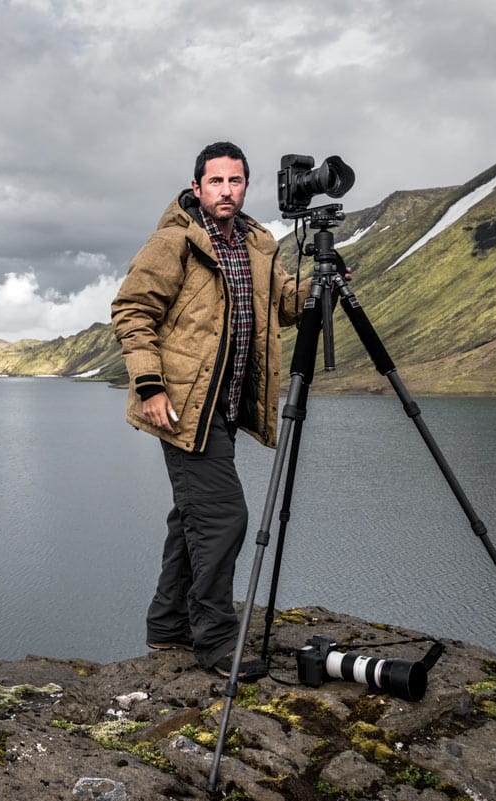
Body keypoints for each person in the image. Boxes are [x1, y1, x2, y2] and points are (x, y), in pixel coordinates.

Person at [111, 141, 325, 680]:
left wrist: (316, 286)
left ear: (246, 186)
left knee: (193, 516)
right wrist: (150, 385)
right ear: (198, 186)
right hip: (182, 408)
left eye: (235, 181)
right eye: (215, 182)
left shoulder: (257, 243)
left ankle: (167, 625)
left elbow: (279, 304)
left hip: (223, 405)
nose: (225, 191)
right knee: (225, 518)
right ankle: (215, 641)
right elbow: (132, 310)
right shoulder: (174, 240)